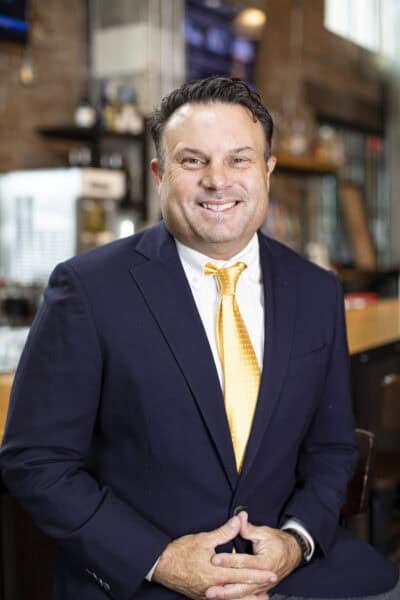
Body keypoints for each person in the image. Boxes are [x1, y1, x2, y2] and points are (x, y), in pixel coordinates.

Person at [0, 76, 398, 600]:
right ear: (160, 174)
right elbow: (36, 461)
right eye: (193, 161)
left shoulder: (317, 290)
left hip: (289, 571)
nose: (218, 180)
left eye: (239, 160)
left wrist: (295, 543)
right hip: (146, 579)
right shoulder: (87, 288)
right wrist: (159, 560)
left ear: (267, 170)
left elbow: (329, 449)